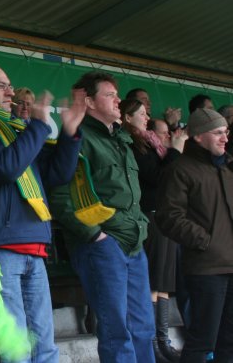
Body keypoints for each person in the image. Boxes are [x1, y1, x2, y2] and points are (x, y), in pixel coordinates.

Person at [0, 65, 85, 362]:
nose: (11, 92)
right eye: (2, 86)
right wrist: (39, 126)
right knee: (17, 351)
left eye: (10, 86)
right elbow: (5, 167)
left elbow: (56, 174)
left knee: (46, 347)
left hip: (33, 244)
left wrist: (68, 135)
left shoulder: (15, 129)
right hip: (0, 247)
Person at [49, 71, 155, 362]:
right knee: (117, 330)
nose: (118, 100)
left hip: (134, 243)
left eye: (116, 95)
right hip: (103, 245)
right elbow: (60, 196)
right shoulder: (78, 138)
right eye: (109, 95)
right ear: (90, 102)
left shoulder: (120, 138)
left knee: (144, 328)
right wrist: (95, 236)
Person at [156, 108, 233, 363]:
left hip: (230, 266)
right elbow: (169, 217)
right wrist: (206, 242)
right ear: (198, 136)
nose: (225, 138)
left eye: (226, 132)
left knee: (229, 341)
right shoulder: (181, 169)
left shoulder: (227, 169)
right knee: (202, 342)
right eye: (218, 133)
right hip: (206, 268)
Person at [120, 100, 186, 362]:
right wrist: (176, 152)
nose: (146, 118)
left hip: (164, 216)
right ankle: (151, 343)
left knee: (164, 283)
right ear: (127, 117)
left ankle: (163, 341)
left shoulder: (151, 144)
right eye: (142, 114)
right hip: (150, 216)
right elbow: (159, 178)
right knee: (153, 281)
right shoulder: (135, 145)